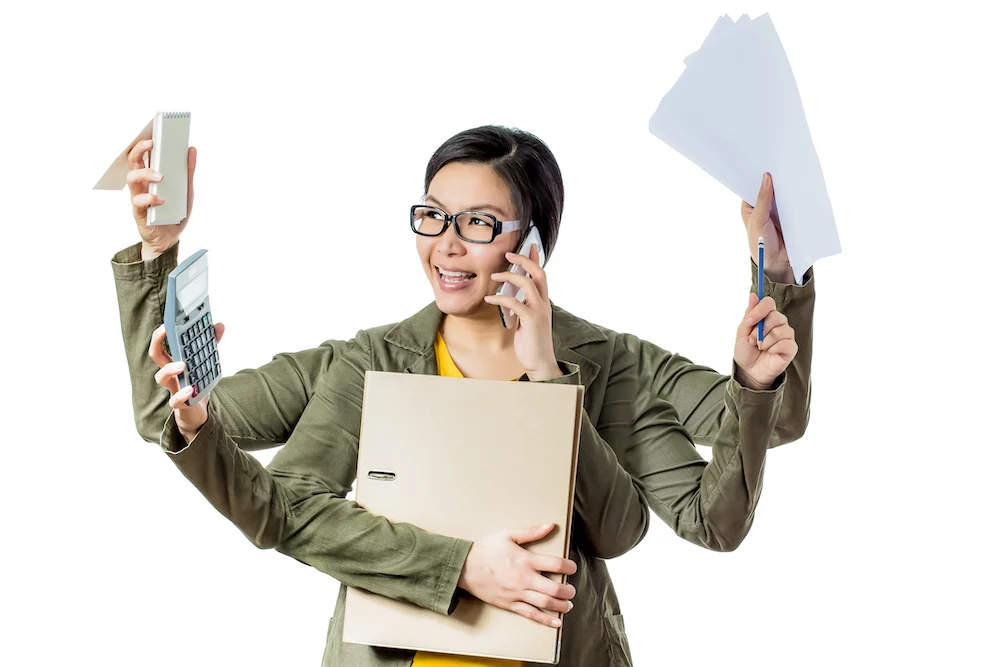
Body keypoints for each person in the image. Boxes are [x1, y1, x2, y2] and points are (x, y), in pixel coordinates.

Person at [112, 125, 813, 667]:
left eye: (477, 224)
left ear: (533, 243)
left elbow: (718, 508)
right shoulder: (369, 362)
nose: (446, 246)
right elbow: (183, 425)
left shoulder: (608, 362)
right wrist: (158, 254)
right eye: (432, 216)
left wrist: (771, 308)